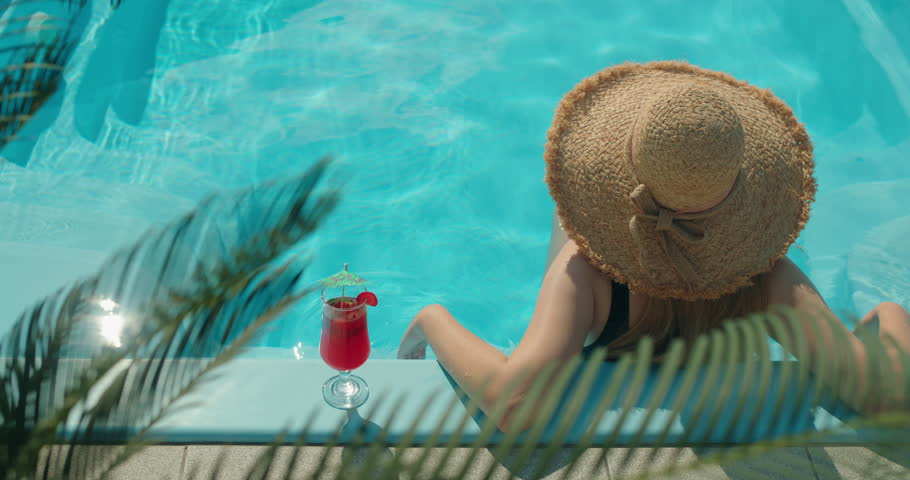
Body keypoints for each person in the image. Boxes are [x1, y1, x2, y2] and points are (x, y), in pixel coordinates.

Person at [397, 61, 910, 431]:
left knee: (565, 215)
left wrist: (431, 319)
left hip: (607, 315)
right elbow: (886, 396)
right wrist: (886, 315)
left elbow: (513, 406)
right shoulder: (770, 278)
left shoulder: (587, 273)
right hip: (721, 346)